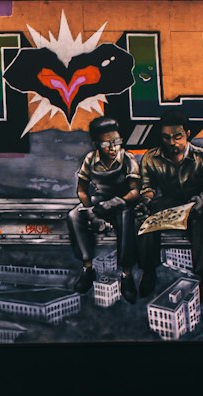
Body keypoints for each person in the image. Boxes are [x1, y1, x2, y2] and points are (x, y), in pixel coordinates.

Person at [135, 109, 203, 301]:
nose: (172, 143)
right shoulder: (151, 158)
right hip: (170, 201)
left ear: (187, 134)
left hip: (197, 202)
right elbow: (148, 188)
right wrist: (146, 201)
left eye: (177, 136)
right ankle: (148, 270)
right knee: (144, 217)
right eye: (166, 137)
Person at [66, 115, 143, 303]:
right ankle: (87, 268)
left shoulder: (127, 159)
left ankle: (126, 274)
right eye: (107, 143)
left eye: (116, 142)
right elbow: (82, 190)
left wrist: (116, 202)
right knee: (74, 215)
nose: (112, 147)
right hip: (99, 201)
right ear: (96, 143)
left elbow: (135, 191)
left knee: (127, 218)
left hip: (122, 202)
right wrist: (91, 211)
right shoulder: (90, 159)